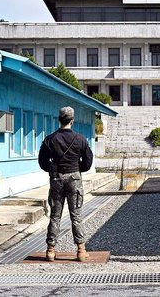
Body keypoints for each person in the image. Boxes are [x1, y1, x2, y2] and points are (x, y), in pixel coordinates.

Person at [38, 106, 93, 262]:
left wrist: (53, 170)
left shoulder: (50, 139)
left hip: (56, 179)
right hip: (74, 179)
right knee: (76, 216)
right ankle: (81, 250)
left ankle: (50, 250)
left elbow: (42, 162)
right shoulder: (80, 139)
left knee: (55, 216)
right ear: (72, 121)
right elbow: (88, 162)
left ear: (59, 120)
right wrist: (76, 169)